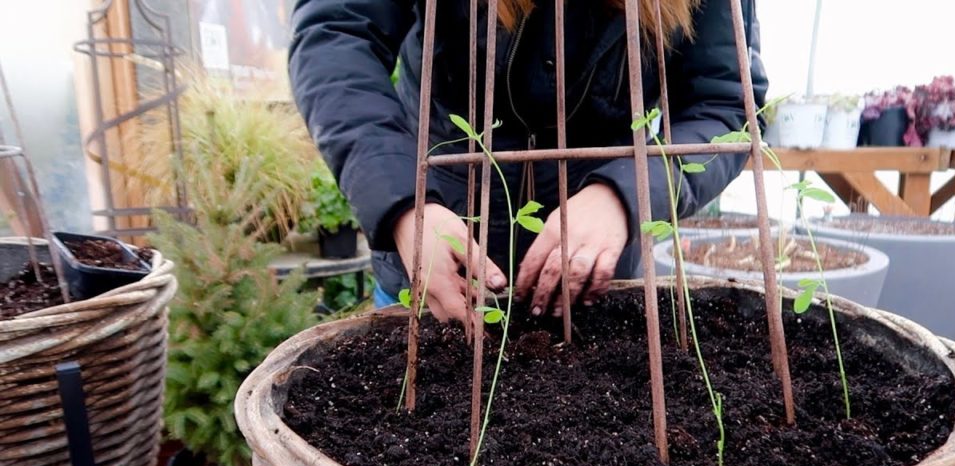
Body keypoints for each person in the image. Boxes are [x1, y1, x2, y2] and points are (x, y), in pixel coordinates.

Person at [289, 0, 767, 323]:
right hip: (436, 259)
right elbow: (337, 35)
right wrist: (402, 204)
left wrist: (624, 195)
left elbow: (726, 106)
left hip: (593, 281)